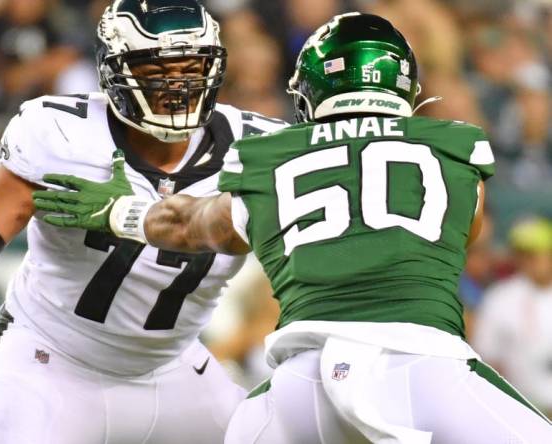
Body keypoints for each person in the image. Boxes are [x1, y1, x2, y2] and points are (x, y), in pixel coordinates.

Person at [33, 12, 552, 443]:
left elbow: (191, 225)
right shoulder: (455, 143)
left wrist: (121, 212)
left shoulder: (270, 157)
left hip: (297, 389)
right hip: (426, 368)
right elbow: (467, 229)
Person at [0, 1, 287, 443]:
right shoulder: (61, 134)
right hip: (51, 361)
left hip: (173, 367)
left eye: (190, 67)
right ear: (116, 72)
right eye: (157, 70)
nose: (177, 87)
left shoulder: (263, 149)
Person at [473, 217, 552, 419]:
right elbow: (488, 358)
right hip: (523, 410)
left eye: (535, 253)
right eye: (522, 254)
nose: (529, 261)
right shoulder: (500, 297)